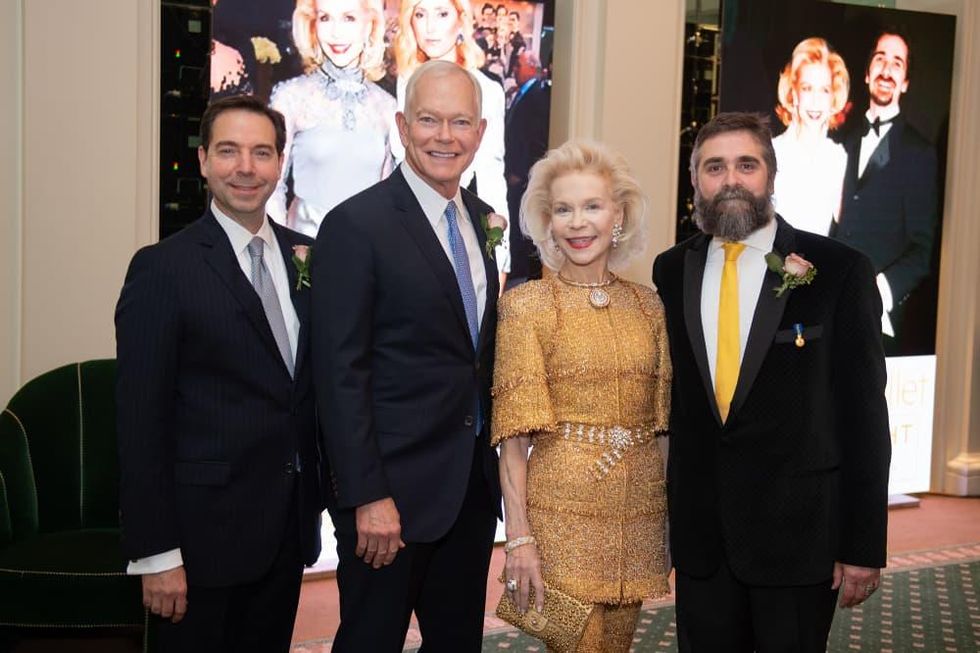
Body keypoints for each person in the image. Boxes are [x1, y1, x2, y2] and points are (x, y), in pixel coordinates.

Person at [652, 112, 891, 652]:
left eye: (746, 164)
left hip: (800, 540)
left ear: (771, 175)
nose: (730, 180)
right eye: (714, 167)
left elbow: (865, 418)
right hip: (704, 544)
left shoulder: (839, 270)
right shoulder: (671, 271)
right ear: (695, 181)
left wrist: (863, 543)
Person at [115, 95, 323, 652]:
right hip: (198, 543)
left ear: (281, 163)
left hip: (285, 530)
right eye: (229, 151)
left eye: (261, 153)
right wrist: (156, 554)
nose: (246, 168)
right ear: (203, 160)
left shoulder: (312, 256)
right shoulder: (163, 268)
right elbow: (140, 422)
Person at [313, 60, 502, 652]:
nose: (445, 136)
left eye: (460, 121)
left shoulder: (479, 220)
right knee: (372, 640)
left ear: (481, 131)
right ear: (400, 125)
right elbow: (340, 374)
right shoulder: (355, 225)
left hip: (468, 493)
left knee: (456, 642)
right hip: (387, 499)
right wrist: (367, 495)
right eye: (428, 120)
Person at [492, 140, 671, 652]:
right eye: (563, 210)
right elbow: (512, 437)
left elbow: (663, 428)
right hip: (558, 519)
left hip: (637, 514)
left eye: (592, 206)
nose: (578, 222)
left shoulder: (648, 306)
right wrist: (520, 538)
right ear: (548, 223)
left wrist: (667, 529)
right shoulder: (527, 307)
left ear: (619, 215)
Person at [392, 0, 511, 284]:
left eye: (442, 13)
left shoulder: (486, 90)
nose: (430, 27)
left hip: (457, 231)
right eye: (420, 14)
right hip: (396, 231)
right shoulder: (395, 84)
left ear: (460, 19)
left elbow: (492, 176)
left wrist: (500, 257)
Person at [834, 29, 939, 351]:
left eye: (897, 63)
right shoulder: (839, 142)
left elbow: (923, 250)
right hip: (829, 311)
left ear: (905, 82)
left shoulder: (919, 152)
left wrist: (878, 292)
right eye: (880, 59)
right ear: (867, 74)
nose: (887, 69)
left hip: (879, 326)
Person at [267, 0, 396, 237]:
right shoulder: (292, 97)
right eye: (325, 18)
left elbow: (386, 200)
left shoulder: (387, 106)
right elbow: (272, 188)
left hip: (366, 257)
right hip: (305, 254)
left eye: (349, 18)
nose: (336, 32)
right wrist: (285, 253)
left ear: (369, 26)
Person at [771, 37, 850, 236]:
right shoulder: (770, 153)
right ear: (794, 93)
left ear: (833, 96)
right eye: (807, 89)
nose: (815, 101)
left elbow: (853, 226)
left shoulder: (839, 157)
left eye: (824, 90)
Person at [503, 51, 550, 287]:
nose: (514, 69)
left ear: (532, 66)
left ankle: (520, 269)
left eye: (518, 64)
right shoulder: (523, 93)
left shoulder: (536, 96)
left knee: (524, 226)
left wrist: (520, 171)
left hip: (522, 178)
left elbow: (533, 138)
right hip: (514, 174)